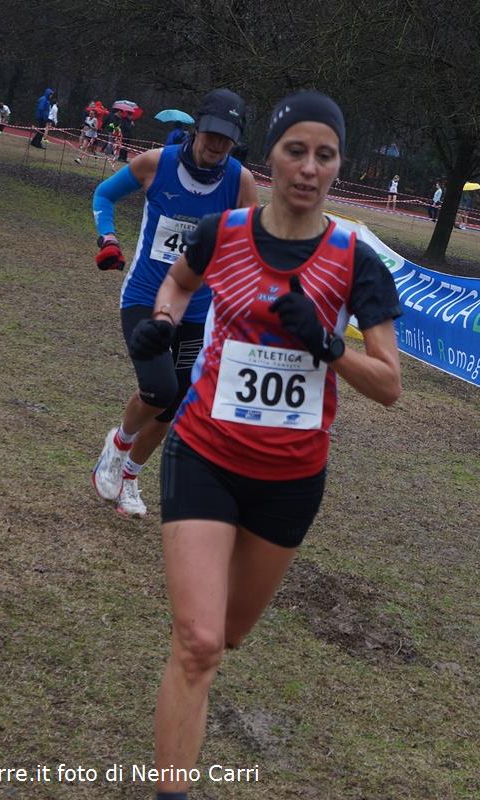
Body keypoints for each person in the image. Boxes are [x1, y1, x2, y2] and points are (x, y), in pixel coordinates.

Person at [134, 89, 401, 800]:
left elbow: (389, 385)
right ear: (272, 158)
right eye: (296, 151)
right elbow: (177, 285)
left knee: (227, 636)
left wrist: (327, 344)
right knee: (197, 644)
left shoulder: (355, 260)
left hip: (289, 478)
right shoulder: (221, 232)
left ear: (338, 166)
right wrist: (163, 322)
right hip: (205, 452)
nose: (309, 168)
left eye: (325, 155)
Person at [89, 88, 260, 518]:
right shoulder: (156, 164)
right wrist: (108, 237)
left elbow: (249, 244)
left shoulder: (240, 182)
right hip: (145, 299)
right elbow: (103, 195)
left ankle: (130, 478)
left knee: (173, 404)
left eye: (227, 139)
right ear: (197, 128)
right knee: (159, 388)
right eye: (212, 134)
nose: (217, 145)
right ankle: (117, 445)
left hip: (197, 311)